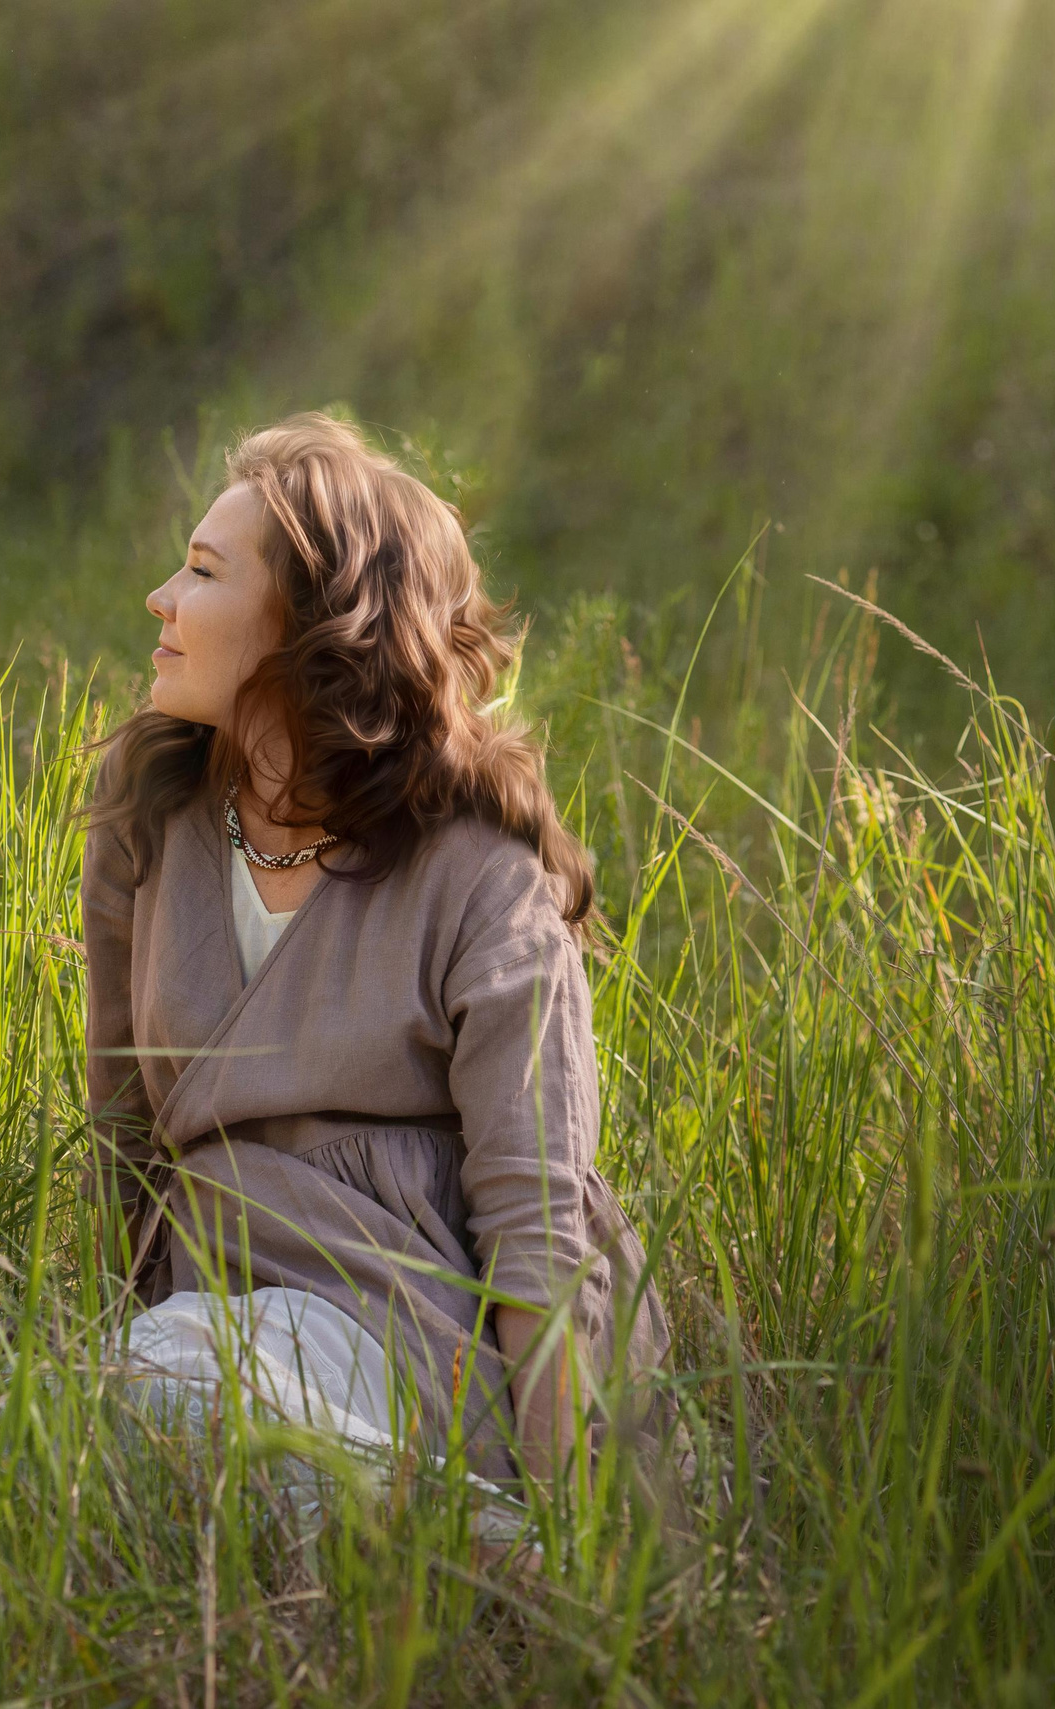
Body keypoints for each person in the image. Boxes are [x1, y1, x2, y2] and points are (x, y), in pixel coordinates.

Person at [84, 412, 668, 1484]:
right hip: (208, 1299)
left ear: (313, 625)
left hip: (421, 1323)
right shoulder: (150, 821)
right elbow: (121, 1132)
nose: (161, 599)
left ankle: (489, 1536)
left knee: (164, 1405)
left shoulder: (481, 872)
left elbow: (534, 1211)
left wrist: (569, 1506)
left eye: (204, 572)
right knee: (85, 1429)